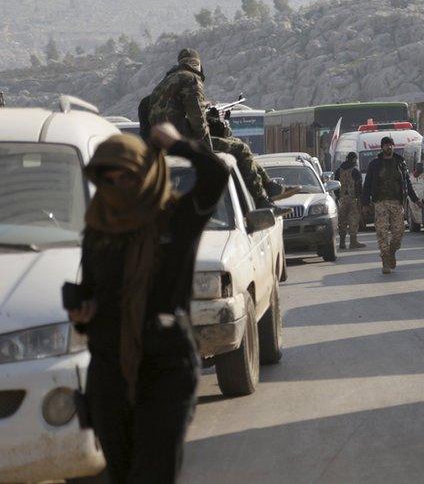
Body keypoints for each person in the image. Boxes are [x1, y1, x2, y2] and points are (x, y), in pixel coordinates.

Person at [68, 123, 228, 483]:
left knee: (154, 472)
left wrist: (178, 144)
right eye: (108, 179)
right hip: (109, 369)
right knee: (121, 473)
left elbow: (216, 174)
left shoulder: (176, 218)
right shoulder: (98, 230)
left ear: (146, 175)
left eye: (127, 177)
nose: (118, 187)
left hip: (165, 365)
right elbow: (93, 292)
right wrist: (82, 315)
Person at [206, 110, 296, 209]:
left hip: (195, 136)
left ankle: (268, 186)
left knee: (238, 143)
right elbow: (195, 116)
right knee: (241, 148)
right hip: (196, 139)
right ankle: (260, 198)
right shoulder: (192, 95)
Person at [361, 136, 419, 274]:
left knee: (399, 233)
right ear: (382, 148)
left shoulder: (400, 163)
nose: (389, 147)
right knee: (382, 233)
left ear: (393, 146)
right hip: (380, 203)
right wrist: (364, 203)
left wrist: (415, 199)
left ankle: (392, 251)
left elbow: (407, 183)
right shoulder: (374, 165)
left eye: (391, 145)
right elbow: (367, 184)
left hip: (396, 203)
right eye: (386, 145)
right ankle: (385, 260)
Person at [147, 48, 210, 146]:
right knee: (240, 148)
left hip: (161, 139)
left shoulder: (164, 82)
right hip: (181, 139)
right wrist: (204, 133)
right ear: (198, 66)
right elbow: (196, 113)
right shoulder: (191, 79)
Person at [336, 151, 365, 249]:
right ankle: (353, 242)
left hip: (341, 199)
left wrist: (338, 196)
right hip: (353, 199)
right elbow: (359, 186)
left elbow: (335, 185)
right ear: (354, 159)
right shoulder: (355, 171)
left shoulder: (338, 170)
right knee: (353, 220)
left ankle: (342, 242)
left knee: (342, 220)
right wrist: (360, 198)